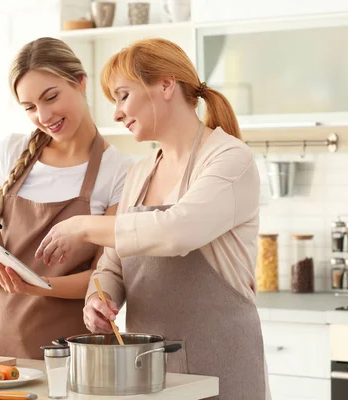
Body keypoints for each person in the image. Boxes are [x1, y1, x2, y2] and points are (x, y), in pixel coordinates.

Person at [35, 38, 270, 399]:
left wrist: (83, 226)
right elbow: (112, 265)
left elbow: (178, 230)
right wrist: (98, 299)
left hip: (222, 365)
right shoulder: (139, 173)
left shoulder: (228, 159)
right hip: (150, 373)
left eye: (123, 95)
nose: (115, 113)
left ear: (165, 84)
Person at [0, 37, 132, 359]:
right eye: (29, 107)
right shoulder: (10, 152)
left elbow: (105, 275)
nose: (43, 115)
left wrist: (33, 284)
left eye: (51, 97)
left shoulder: (119, 171)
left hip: (71, 354)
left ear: (80, 83)